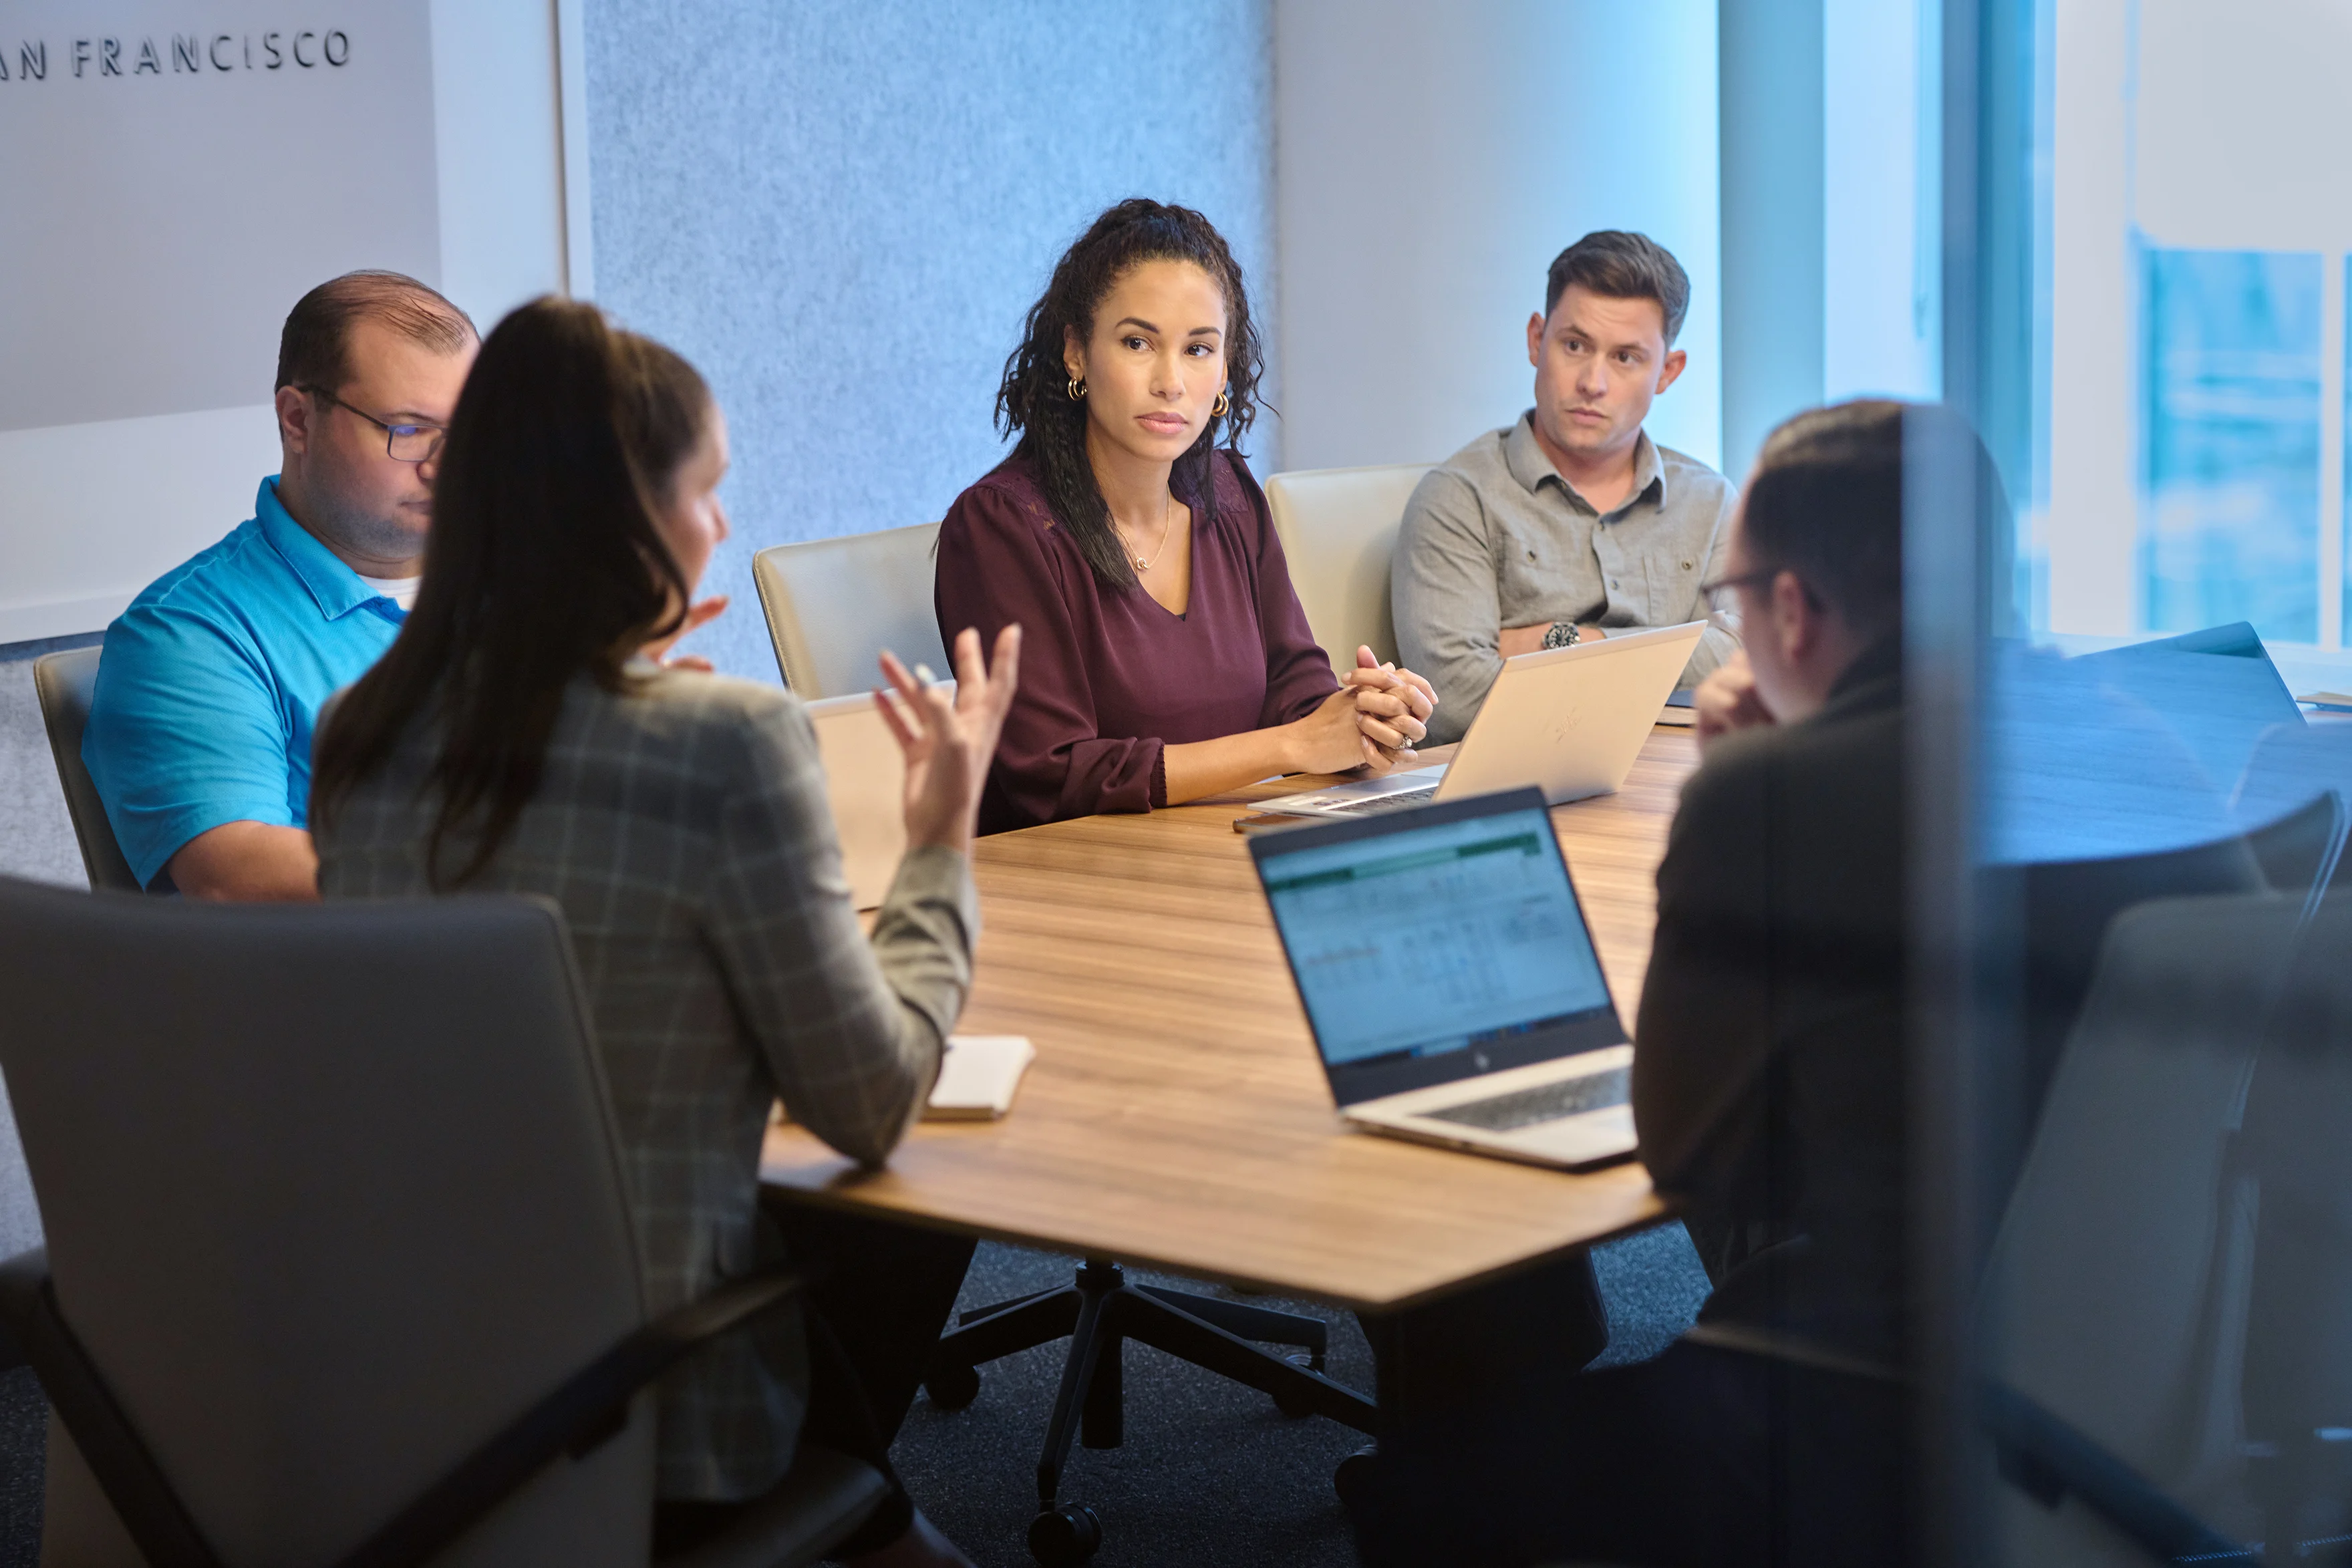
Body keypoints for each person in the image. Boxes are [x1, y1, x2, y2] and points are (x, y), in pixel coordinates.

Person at [311, 298, 1014, 1567]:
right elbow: (869, 1097)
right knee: (905, 1196)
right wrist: (941, 836)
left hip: (414, 1389)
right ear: (625, 520)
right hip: (651, 1415)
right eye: (708, 491)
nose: (723, 529)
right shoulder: (724, 740)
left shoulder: (362, 735)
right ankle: (850, 1514)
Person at [1360, 400, 1938, 1567]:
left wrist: (1738, 801)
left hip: (1862, 1387)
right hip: (2110, 1333)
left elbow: (1679, 1150)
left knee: (1419, 1488)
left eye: (1727, 599)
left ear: (1787, 608)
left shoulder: (1769, 799)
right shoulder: (2124, 736)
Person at [934, 197, 1437, 835]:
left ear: (1224, 370)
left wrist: (1363, 717)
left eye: (1198, 350)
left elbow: (1295, 691)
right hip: (1068, 887)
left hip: (1219, 857)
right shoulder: (1001, 526)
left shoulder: (1228, 493)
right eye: (1138, 342)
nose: (1170, 381)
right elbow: (1051, 775)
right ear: (1076, 353)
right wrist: (1291, 746)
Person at [83, 271, 480, 897]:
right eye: (408, 431)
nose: (443, 466)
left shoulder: (515, 591)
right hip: (367, 986)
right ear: (298, 420)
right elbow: (234, 873)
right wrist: (528, 861)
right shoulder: (186, 635)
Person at [1393, 230, 1740, 746]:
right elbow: (1454, 699)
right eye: (1575, 346)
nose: (1592, 383)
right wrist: (1680, 657)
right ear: (1537, 339)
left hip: (1677, 787)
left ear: (1668, 371)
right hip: (1525, 796)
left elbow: (1746, 657)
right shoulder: (1458, 499)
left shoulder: (1710, 502)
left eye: (1626, 358)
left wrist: (1561, 642)